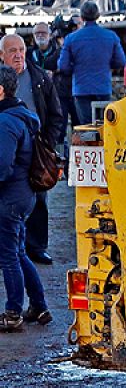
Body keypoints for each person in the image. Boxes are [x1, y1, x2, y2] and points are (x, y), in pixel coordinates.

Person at [0, 34, 61, 265]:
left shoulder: (39, 77)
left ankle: (37, 247)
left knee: (39, 198)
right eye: (12, 51)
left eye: (21, 50)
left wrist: (47, 144)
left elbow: (56, 115)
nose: (18, 55)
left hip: (34, 149)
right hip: (5, 148)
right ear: (2, 55)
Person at [0, 65, 47, 330]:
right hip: (25, 194)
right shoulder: (23, 115)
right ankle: (39, 307)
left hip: (9, 198)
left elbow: (1, 165)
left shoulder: (5, 121)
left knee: (8, 256)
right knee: (18, 253)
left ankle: (13, 313)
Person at [56, 2, 126, 125]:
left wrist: (76, 68)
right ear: (98, 16)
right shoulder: (111, 36)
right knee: (105, 126)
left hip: (81, 88)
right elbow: (121, 61)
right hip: (103, 87)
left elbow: (63, 66)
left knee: (86, 128)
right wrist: (106, 65)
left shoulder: (71, 39)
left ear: (81, 18)